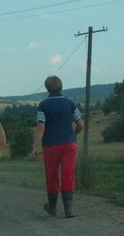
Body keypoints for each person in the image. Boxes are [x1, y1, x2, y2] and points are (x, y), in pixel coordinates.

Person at [32, 76, 85, 218]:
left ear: (47, 88)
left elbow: (41, 126)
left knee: (52, 176)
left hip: (50, 146)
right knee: (68, 175)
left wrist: (35, 147)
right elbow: (81, 125)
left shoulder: (43, 105)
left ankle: (52, 207)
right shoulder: (70, 104)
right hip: (69, 144)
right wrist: (73, 135)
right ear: (61, 86)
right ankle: (69, 210)